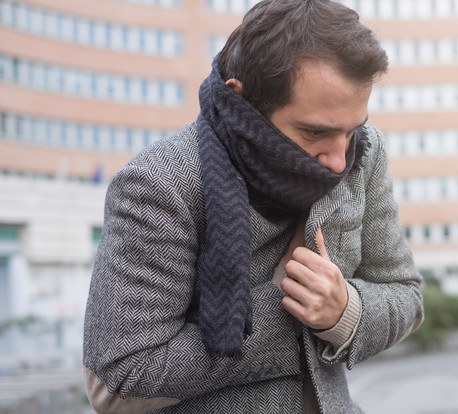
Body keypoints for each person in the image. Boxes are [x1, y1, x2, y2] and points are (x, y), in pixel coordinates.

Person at [81, 0, 424, 412]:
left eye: (353, 129)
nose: (337, 160)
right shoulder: (160, 183)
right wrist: (289, 310)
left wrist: (345, 311)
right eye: (315, 131)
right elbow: (124, 374)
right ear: (242, 102)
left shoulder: (363, 156)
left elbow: (405, 296)